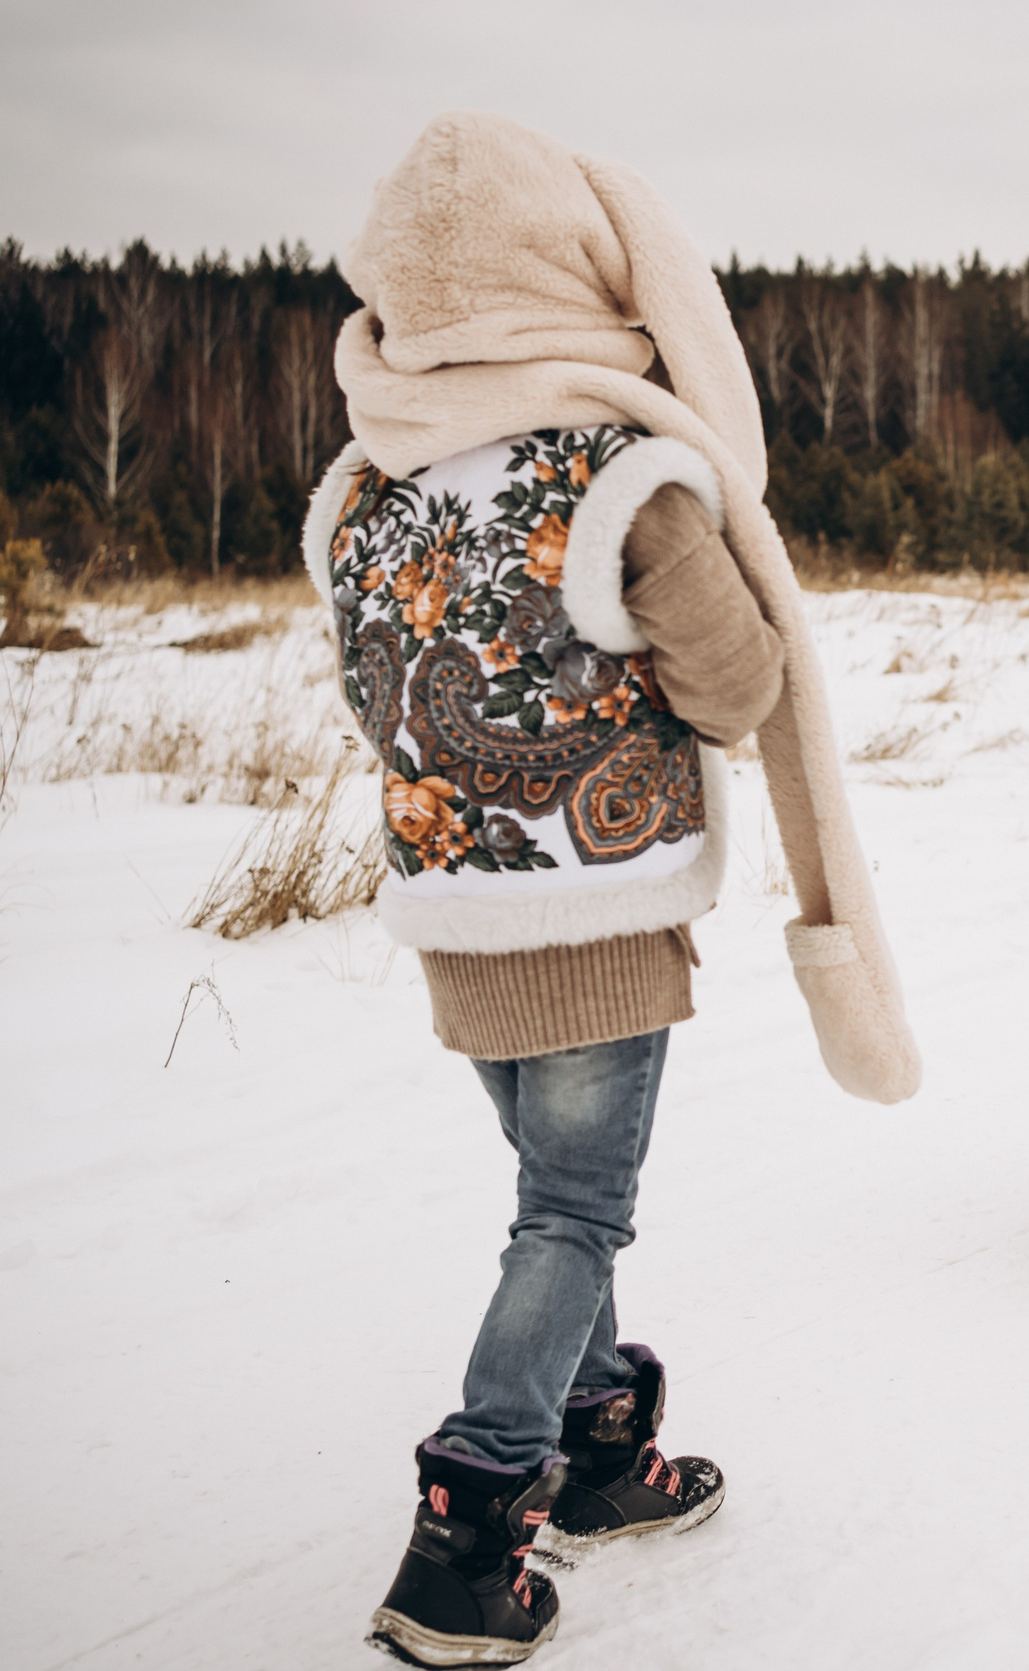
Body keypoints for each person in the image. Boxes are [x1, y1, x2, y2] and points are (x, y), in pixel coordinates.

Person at [307, 112, 921, 1666]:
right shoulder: (622, 479)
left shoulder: (366, 493)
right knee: (575, 1214)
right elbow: (732, 683)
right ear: (576, 271)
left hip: (453, 908)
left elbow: (374, 691)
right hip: (591, 908)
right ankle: (472, 1520)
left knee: (550, 1200)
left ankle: (593, 1446)